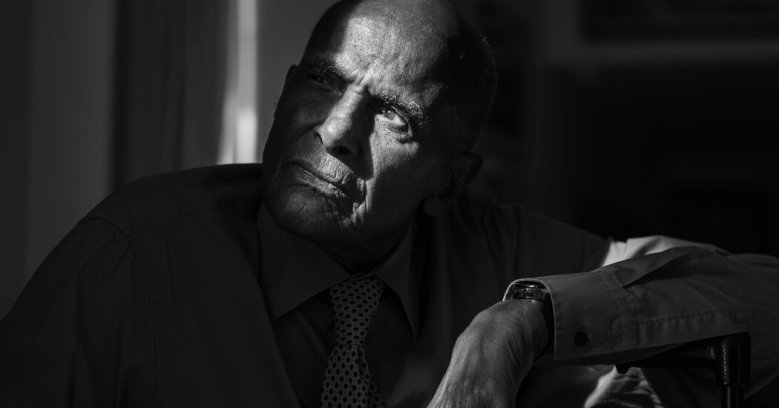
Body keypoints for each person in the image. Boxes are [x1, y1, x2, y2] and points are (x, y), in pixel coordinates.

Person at [1, 0, 778, 406]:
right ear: (286, 90)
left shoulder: (500, 252)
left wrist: (515, 328)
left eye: (395, 119)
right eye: (322, 81)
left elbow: (762, 299)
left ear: (451, 178)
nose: (335, 132)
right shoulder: (135, 253)